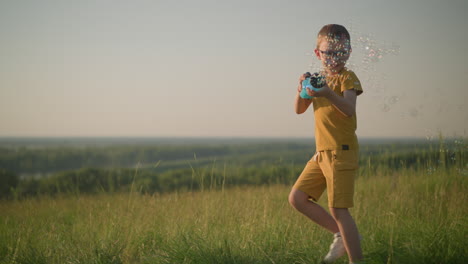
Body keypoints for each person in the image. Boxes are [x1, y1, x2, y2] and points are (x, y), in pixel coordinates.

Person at [289, 24, 364, 264]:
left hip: (341, 152)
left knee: (339, 210)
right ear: (317, 53)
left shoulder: (347, 78)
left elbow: (349, 109)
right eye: (328, 52)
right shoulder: (318, 79)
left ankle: (356, 260)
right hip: (322, 153)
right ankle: (341, 235)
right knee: (297, 198)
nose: (334, 58)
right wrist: (302, 89)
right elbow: (299, 110)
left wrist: (328, 93)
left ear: (349, 52)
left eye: (340, 52)